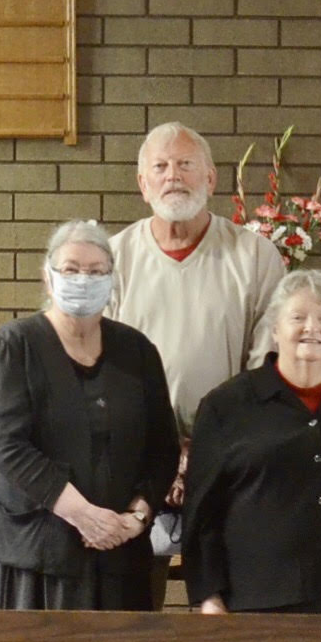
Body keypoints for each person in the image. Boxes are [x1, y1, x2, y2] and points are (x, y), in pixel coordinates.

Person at [0, 220, 178, 611]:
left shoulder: (137, 350)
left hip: (121, 554)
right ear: (48, 276)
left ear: (112, 279)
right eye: (70, 269)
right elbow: (7, 445)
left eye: (96, 271)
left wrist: (136, 518)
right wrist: (84, 515)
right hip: (36, 554)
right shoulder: (16, 344)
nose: (83, 280)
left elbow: (162, 447)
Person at [184, 269, 321, 614]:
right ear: (274, 328)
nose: (311, 328)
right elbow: (202, 514)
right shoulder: (225, 406)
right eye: (297, 317)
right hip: (255, 603)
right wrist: (209, 598)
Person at [108, 122, 286, 435]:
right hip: (136, 446)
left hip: (229, 442)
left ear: (211, 179)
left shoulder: (255, 256)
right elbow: (100, 365)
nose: (173, 176)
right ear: (143, 185)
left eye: (186, 164)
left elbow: (267, 365)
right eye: (160, 166)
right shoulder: (112, 259)